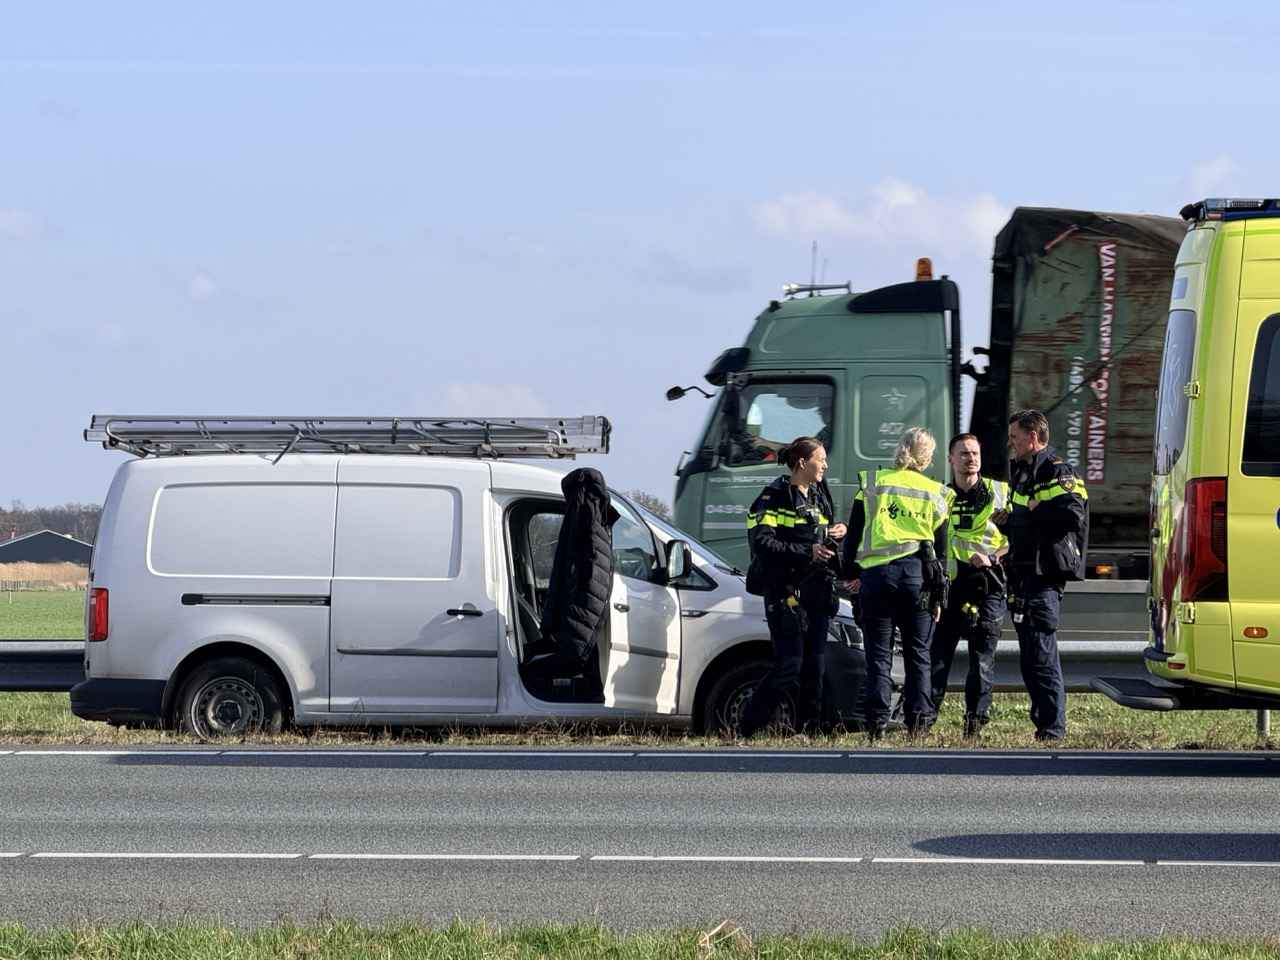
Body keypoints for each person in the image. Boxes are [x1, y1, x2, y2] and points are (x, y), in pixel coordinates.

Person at [842, 426, 951, 741]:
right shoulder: (936, 492)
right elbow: (941, 552)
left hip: (878, 577)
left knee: (879, 656)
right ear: (927, 458)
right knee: (919, 656)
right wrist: (938, 596)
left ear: (900, 449)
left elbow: (853, 534)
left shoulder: (873, 483)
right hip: (918, 578)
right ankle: (917, 726)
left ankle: (876, 726)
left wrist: (850, 575)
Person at [738, 437, 846, 737]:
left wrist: (838, 532)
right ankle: (748, 727)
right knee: (789, 665)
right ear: (802, 462)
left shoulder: (819, 495)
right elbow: (762, 544)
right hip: (786, 592)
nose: (825, 465)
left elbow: (819, 537)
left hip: (817, 589)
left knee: (815, 668)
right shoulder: (772, 497)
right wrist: (807, 551)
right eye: (820, 459)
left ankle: (809, 732)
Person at [993, 409, 1090, 741]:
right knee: (1030, 657)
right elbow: (1029, 524)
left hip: (1044, 573)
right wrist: (1008, 522)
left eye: (1015, 437)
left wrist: (1036, 509)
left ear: (1032, 437)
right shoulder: (1023, 472)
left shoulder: (1058, 471)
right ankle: (1044, 727)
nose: (1010, 443)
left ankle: (1052, 730)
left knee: (1041, 652)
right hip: (1022, 571)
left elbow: (1073, 517)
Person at [926, 434, 1009, 739]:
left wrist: (992, 557)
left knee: (982, 662)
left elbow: (1018, 541)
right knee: (937, 660)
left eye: (975, 453)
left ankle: (974, 726)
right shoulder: (938, 496)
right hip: (948, 589)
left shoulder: (1001, 493)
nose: (971, 458)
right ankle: (923, 723)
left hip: (987, 587)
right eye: (963, 453)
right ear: (951, 460)